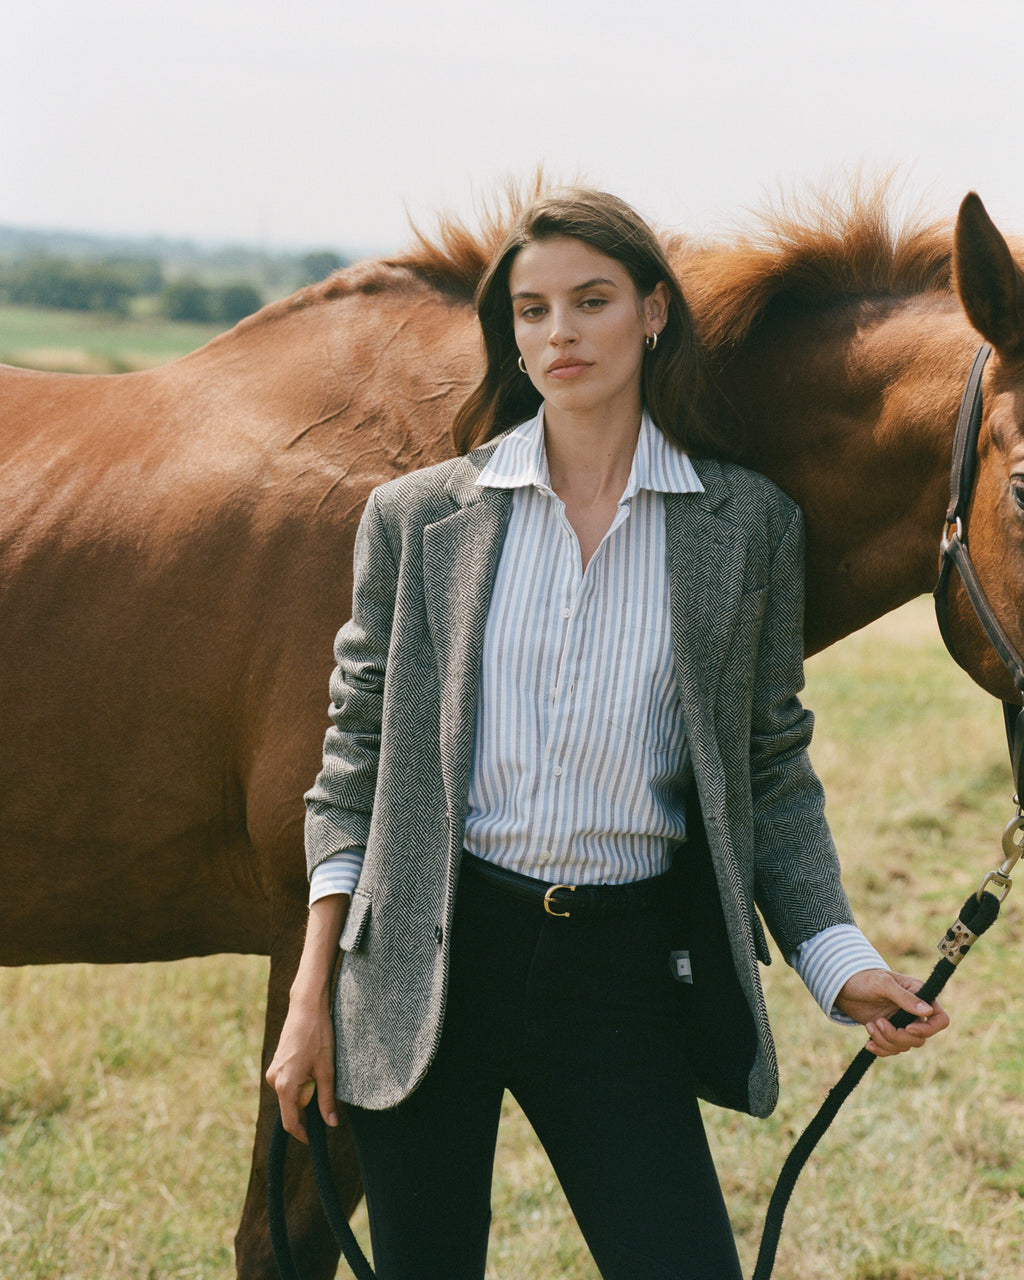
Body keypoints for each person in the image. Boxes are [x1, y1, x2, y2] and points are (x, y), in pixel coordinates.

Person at [267, 188, 949, 1279]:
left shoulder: (747, 527)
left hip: (619, 974)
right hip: (428, 970)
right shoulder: (419, 518)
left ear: (654, 313)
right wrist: (311, 998)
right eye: (532, 310)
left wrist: (838, 959)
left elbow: (769, 766)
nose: (561, 334)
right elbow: (351, 766)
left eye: (592, 301)